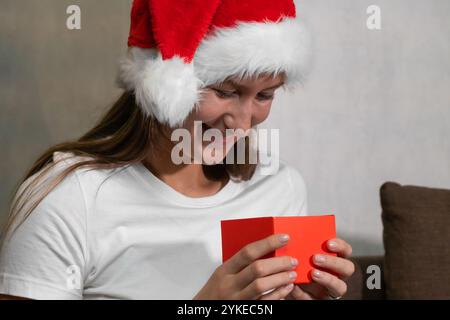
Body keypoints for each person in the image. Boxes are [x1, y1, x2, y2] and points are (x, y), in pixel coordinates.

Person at [0, 0, 354, 300]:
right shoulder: (69, 197)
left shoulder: (279, 187)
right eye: (225, 91)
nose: (243, 124)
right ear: (165, 84)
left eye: (264, 95)